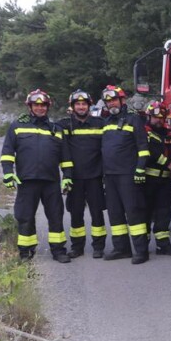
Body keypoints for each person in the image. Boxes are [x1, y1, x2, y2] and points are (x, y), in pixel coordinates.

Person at [0, 89, 71, 263]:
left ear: (48, 107)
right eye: (36, 105)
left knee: (55, 216)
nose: (40, 108)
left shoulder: (57, 129)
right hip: (27, 180)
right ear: (30, 107)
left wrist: (68, 176)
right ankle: (26, 252)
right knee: (25, 216)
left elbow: (66, 158)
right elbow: (8, 152)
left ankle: (58, 250)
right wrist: (8, 173)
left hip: (51, 181)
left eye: (43, 105)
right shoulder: (17, 126)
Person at [98, 85, 151, 264]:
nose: (111, 103)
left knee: (134, 213)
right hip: (110, 176)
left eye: (114, 100)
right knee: (115, 214)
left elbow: (143, 148)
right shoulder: (106, 123)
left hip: (128, 175)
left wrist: (140, 169)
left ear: (122, 101)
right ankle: (121, 249)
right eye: (108, 101)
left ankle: (141, 251)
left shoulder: (134, 120)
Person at [59, 89, 108, 259]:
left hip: (95, 177)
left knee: (97, 213)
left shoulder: (100, 123)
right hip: (74, 178)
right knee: (76, 213)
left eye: (84, 104)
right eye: (78, 104)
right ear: (72, 106)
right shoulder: (64, 125)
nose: (81, 107)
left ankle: (98, 246)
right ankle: (77, 247)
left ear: (89, 105)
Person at [141, 100, 171, 256]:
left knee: (164, 212)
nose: (159, 119)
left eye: (162, 116)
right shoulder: (144, 133)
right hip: (148, 180)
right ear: (149, 116)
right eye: (156, 116)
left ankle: (163, 245)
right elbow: (149, 153)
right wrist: (168, 164)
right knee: (145, 213)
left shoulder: (170, 135)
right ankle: (142, 246)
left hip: (164, 181)